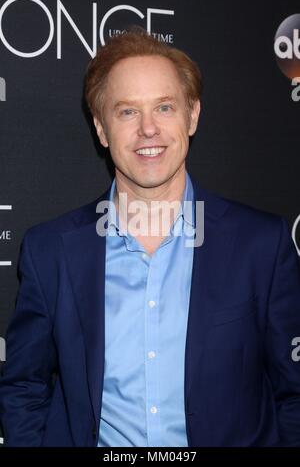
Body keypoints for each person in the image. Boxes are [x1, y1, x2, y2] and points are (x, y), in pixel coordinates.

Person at [0, 28, 300, 447]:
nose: (147, 129)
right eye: (126, 112)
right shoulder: (50, 252)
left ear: (192, 115)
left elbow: (294, 393)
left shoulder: (262, 245)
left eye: (164, 107)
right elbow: (24, 388)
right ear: (101, 130)